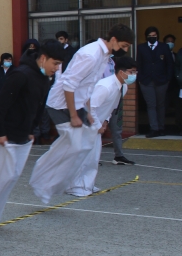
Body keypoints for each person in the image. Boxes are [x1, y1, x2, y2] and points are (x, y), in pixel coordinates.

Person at [0, 42, 64, 230]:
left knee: (11, 177)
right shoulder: (20, 75)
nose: (57, 68)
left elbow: (38, 107)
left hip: (23, 135)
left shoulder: (44, 79)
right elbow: (1, 104)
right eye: (55, 63)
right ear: (43, 58)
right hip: (7, 136)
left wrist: (32, 130)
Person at [31, 24, 134, 204]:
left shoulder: (104, 56)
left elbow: (87, 86)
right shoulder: (91, 54)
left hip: (77, 104)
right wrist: (73, 115)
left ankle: (71, 183)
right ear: (114, 40)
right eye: (123, 46)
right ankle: (43, 180)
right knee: (73, 145)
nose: (124, 50)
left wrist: (88, 111)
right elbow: (69, 85)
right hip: (60, 104)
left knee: (87, 144)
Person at [66, 56, 138, 197]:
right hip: (86, 123)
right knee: (83, 156)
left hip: (97, 124)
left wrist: (105, 121)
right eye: (131, 71)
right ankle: (74, 186)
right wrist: (97, 124)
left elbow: (111, 107)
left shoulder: (123, 87)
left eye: (135, 72)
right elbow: (90, 106)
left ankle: (87, 184)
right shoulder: (105, 86)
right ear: (121, 71)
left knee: (93, 158)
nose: (133, 75)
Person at [137, 27, 174, 137]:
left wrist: (168, 79)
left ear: (157, 35)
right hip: (146, 81)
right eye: (150, 35)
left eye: (154, 35)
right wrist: (140, 79)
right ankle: (154, 129)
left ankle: (161, 128)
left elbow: (170, 64)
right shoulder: (141, 48)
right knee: (151, 105)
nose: (152, 37)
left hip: (162, 81)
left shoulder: (164, 47)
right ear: (146, 36)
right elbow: (139, 64)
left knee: (160, 105)